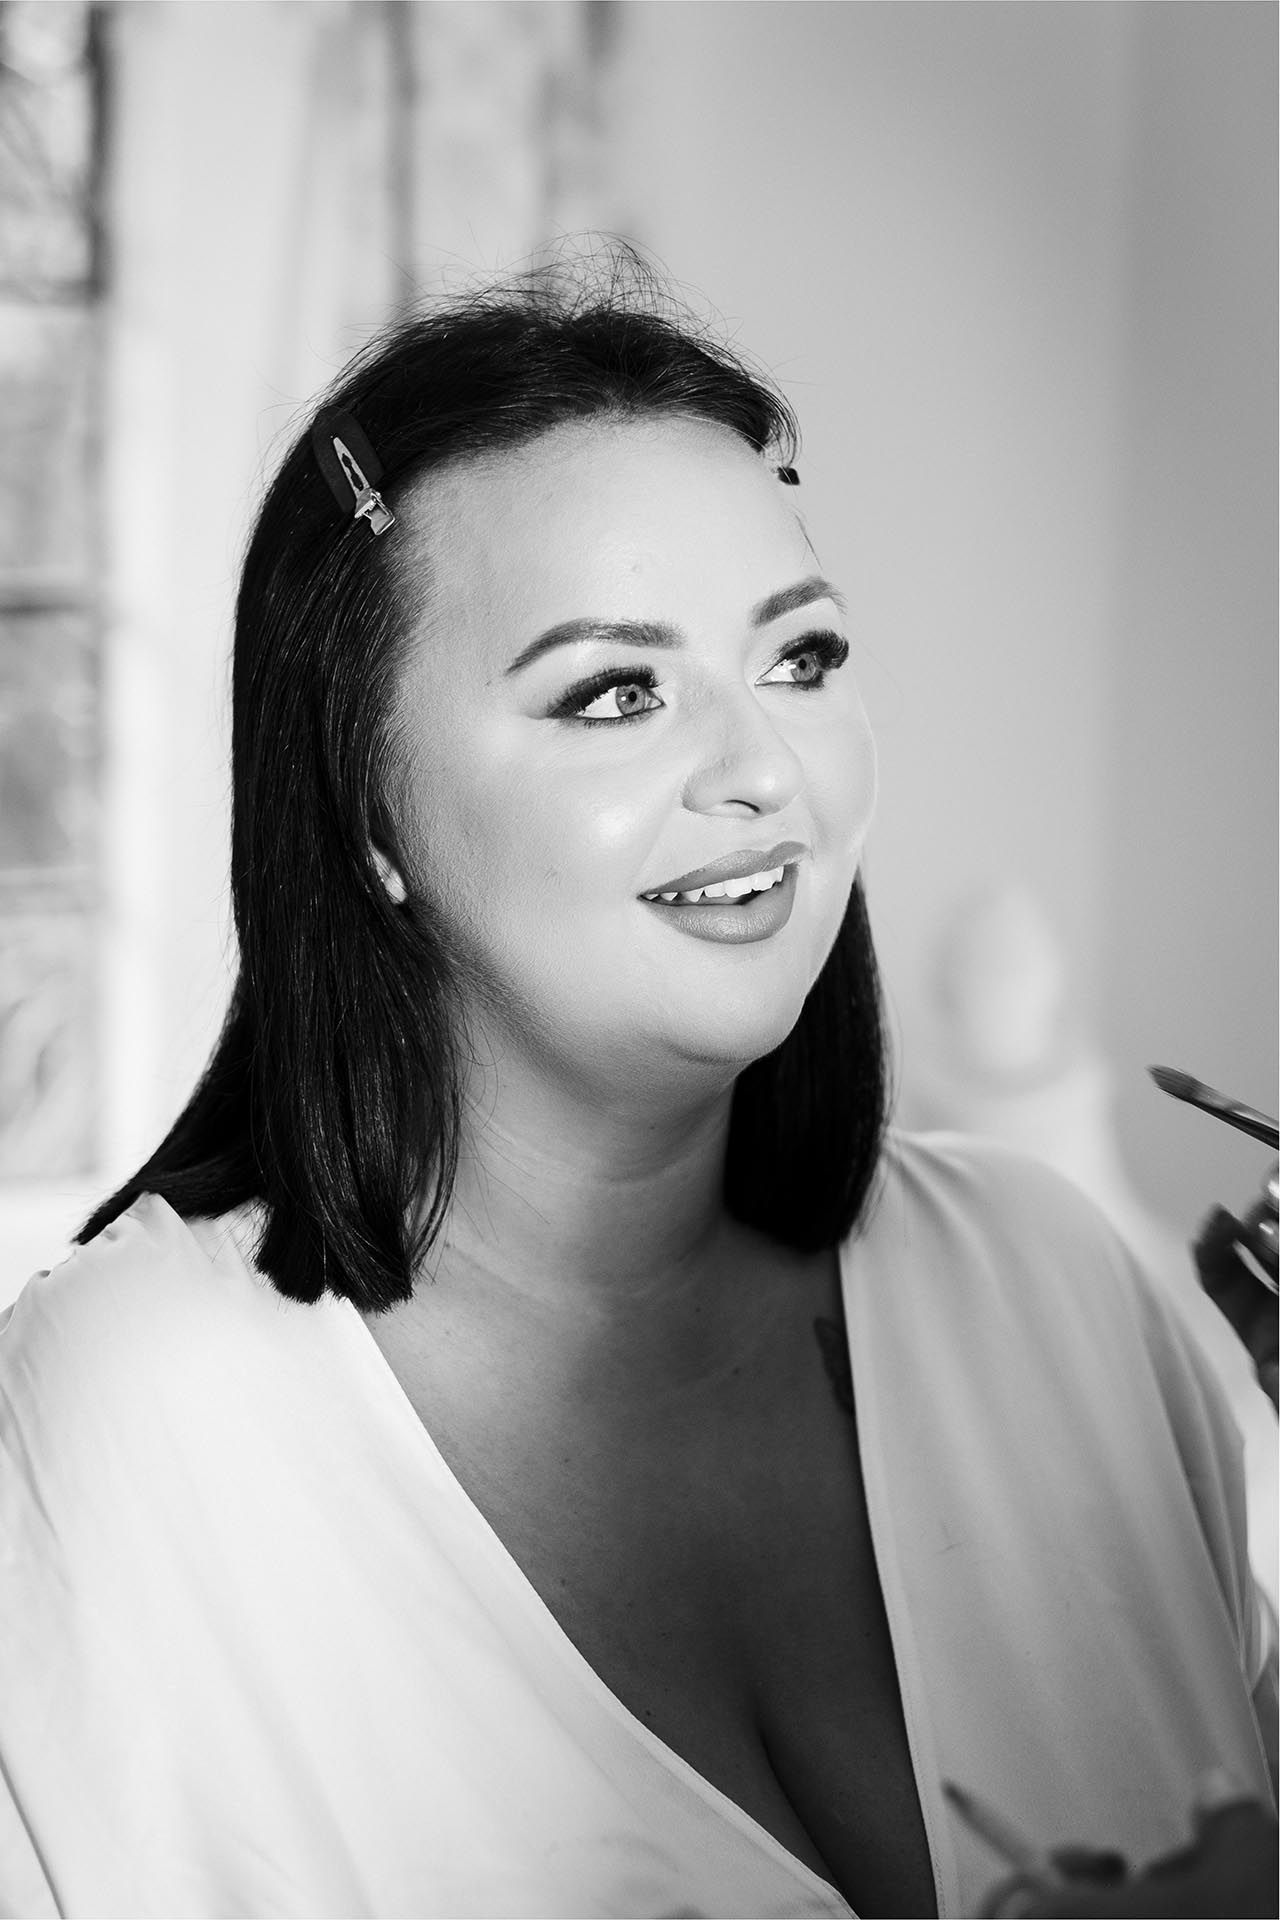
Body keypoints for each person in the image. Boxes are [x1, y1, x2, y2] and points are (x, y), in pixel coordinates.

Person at [0, 251, 1274, 1920]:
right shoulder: (133, 1413)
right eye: (616, 691)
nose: (764, 773)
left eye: (801, 660)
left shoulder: (1050, 1284)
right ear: (366, 810)